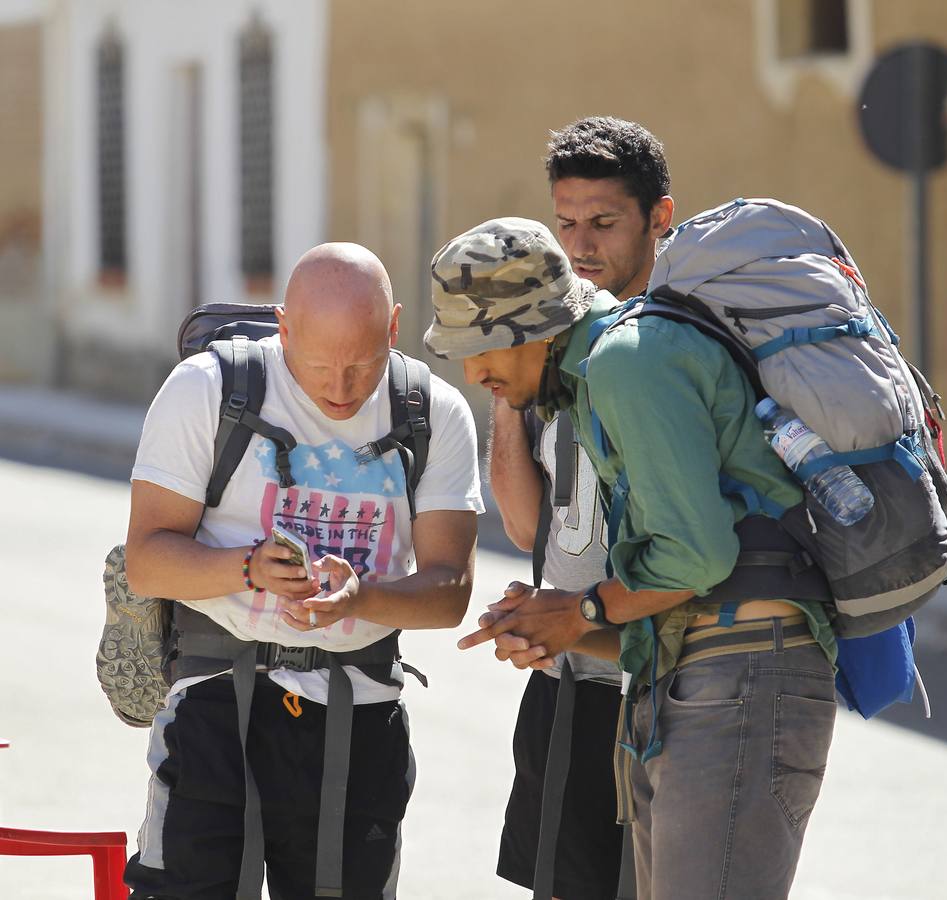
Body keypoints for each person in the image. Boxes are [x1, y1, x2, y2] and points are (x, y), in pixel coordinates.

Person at [424, 217, 838, 900]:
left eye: (482, 348)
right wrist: (566, 620)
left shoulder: (627, 362)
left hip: (742, 672)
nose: (473, 373)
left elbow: (696, 556)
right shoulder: (597, 374)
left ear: (536, 328)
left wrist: (580, 609)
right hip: (696, 672)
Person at [124, 243, 482, 898]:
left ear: (395, 327)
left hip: (359, 713)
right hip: (214, 704)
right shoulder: (208, 390)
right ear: (284, 327)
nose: (341, 390)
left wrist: (358, 599)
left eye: (364, 364)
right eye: (318, 364)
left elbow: (449, 592)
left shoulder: (433, 414)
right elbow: (147, 561)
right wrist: (249, 568)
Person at [489, 117, 673, 900]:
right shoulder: (556, 345)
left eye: (604, 222)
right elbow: (530, 528)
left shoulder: (676, 350)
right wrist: (510, 376)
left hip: (660, 692)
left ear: (659, 217)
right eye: (567, 224)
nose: (584, 244)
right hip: (563, 691)